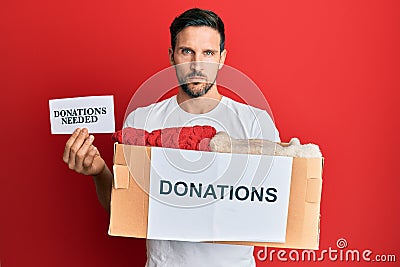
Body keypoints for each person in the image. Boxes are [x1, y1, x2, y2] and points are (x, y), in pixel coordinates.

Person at [63, 8, 279, 267]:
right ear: (172, 56)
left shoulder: (255, 124)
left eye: (208, 53)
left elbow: (271, 210)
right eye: (187, 51)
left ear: (222, 58)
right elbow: (125, 211)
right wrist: (99, 172)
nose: (197, 64)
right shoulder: (142, 121)